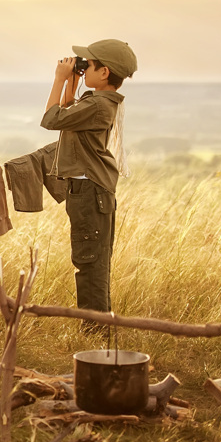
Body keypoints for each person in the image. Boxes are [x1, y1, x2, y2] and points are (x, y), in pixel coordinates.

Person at [41, 39, 138, 321]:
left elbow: (51, 119)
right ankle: (98, 327)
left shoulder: (98, 105)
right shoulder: (96, 102)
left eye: (89, 65)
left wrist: (59, 80)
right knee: (93, 261)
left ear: (104, 73)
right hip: (90, 190)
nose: (84, 68)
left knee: (90, 263)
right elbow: (68, 109)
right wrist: (72, 83)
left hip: (89, 191)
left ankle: (94, 331)